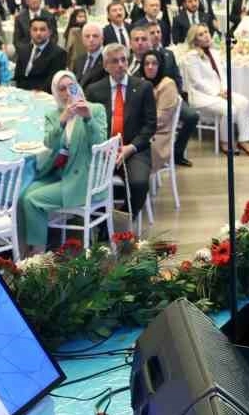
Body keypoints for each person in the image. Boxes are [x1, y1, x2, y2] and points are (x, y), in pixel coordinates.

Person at [17, 70, 107, 254]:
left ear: (78, 87)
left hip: (84, 179)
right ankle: (27, 247)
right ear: (56, 93)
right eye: (62, 89)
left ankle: (38, 253)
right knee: (22, 195)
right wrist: (62, 121)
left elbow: (99, 144)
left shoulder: (95, 109)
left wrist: (88, 118)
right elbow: (49, 143)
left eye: (71, 87)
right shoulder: (53, 115)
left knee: (32, 200)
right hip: (59, 172)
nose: (67, 93)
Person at [83, 45, 155, 218]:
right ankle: (101, 222)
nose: (121, 65)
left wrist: (131, 148)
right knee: (88, 183)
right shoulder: (94, 90)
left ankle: (121, 220)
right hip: (103, 150)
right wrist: (103, 147)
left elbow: (150, 125)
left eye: (123, 60)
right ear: (105, 66)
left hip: (134, 149)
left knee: (139, 184)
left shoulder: (143, 87)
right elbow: (88, 125)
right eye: (115, 61)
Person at [180, 24, 249, 157]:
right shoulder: (191, 56)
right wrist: (217, 93)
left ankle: (244, 140)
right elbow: (197, 82)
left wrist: (225, 90)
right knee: (230, 109)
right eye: (201, 34)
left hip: (220, 92)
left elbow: (222, 75)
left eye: (206, 32)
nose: (206, 36)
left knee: (244, 102)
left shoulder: (213, 52)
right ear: (195, 40)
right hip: (201, 96)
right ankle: (225, 141)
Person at [137, 49, 180, 174]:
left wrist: (137, 126)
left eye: (154, 63)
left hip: (159, 138)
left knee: (133, 153)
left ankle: (137, 181)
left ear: (160, 65)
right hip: (145, 132)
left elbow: (161, 119)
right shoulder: (141, 83)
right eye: (146, 64)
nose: (150, 67)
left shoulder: (167, 85)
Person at [15, 17, 66, 92]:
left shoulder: (58, 53)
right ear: (30, 31)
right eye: (35, 30)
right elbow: (18, 76)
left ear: (50, 32)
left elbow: (52, 82)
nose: (38, 33)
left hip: (43, 94)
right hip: (21, 93)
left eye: (42, 30)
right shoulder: (23, 50)